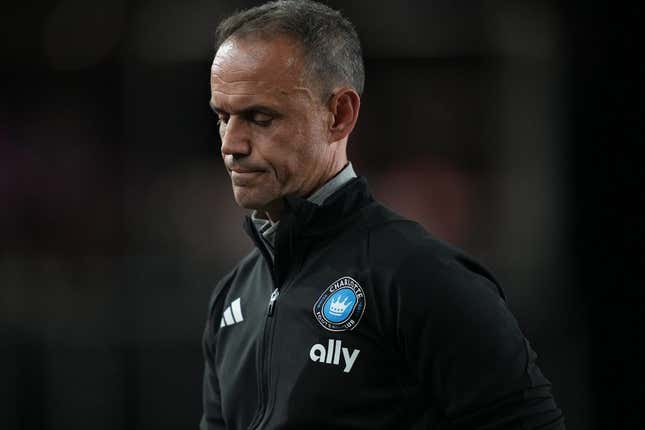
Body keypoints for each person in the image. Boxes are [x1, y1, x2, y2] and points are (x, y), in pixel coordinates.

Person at [201, 1, 564, 429]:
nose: (231, 144)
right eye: (223, 117)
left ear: (339, 115)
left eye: (259, 118)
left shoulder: (418, 277)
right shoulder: (233, 298)